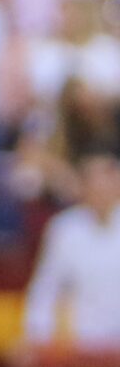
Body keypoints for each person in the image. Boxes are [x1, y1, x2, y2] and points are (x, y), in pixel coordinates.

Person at [24, 145, 120, 355]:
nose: (99, 186)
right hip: (82, 347)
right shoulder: (64, 229)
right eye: (92, 179)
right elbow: (45, 291)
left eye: (106, 177)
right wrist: (38, 341)